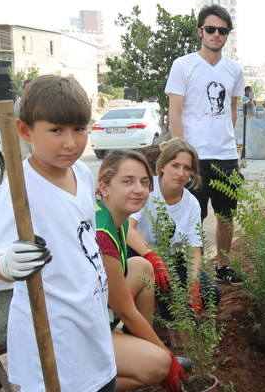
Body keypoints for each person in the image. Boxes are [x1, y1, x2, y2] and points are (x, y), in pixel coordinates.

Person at [0, 75, 117, 392]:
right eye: (56, 130)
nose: (71, 142)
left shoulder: (81, 172)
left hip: (91, 326)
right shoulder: (20, 189)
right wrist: (8, 263)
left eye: (79, 129)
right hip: (52, 338)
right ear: (25, 130)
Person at [95, 149, 188, 392]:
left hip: (96, 315)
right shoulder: (101, 235)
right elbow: (126, 312)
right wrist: (166, 355)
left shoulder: (117, 218)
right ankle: (82, 385)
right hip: (78, 335)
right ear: (104, 185)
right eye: (128, 181)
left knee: (141, 267)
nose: (139, 189)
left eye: (145, 182)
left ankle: (134, 348)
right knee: (157, 365)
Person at [166, 4, 245, 286]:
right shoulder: (183, 65)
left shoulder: (234, 69)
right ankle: (187, 270)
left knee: (226, 215)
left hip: (225, 156)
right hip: (194, 157)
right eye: (210, 29)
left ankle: (222, 267)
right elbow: (176, 110)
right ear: (200, 31)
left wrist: (225, 137)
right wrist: (180, 151)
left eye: (222, 31)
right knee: (191, 216)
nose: (216, 35)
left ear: (227, 35)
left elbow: (233, 108)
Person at [127, 138, 221, 319]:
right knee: (161, 297)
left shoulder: (191, 203)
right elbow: (127, 230)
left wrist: (193, 285)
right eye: (175, 165)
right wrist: (151, 256)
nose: (181, 173)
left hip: (171, 260)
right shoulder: (146, 189)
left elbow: (194, 250)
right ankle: (150, 306)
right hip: (139, 256)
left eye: (187, 168)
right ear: (162, 166)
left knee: (210, 293)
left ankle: (166, 308)